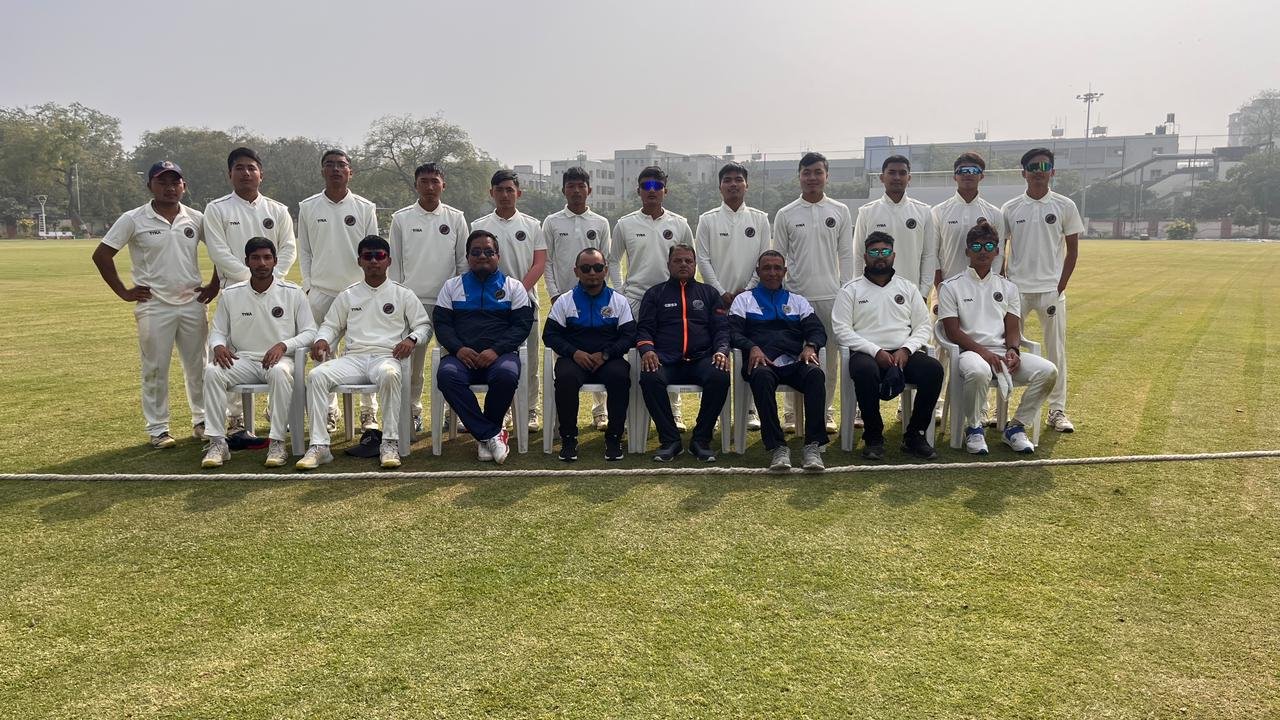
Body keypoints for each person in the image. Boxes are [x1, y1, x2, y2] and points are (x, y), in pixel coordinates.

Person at [92, 160, 219, 447]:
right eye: (162, 182)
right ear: (150, 185)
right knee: (155, 368)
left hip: (192, 302)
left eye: (175, 182)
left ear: (184, 186)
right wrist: (124, 292)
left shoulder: (196, 218)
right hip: (154, 305)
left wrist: (214, 285)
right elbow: (101, 255)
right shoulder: (133, 219)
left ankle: (202, 421)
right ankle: (158, 429)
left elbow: (220, 252)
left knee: (199, 366)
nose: (169, 188)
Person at [298, 235, 431, 470]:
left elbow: (424, 326)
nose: (374, 261)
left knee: (390, 374)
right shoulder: (349, 295)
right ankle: (320, 446)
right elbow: (331, 325)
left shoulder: (402, 294)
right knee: (316, 376)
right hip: (354, 359)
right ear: (359, 261)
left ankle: (389, 443)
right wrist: (322, 340)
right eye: (368, 256)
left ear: (388, 260)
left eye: (379, 256)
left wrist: (412, 339)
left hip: (387, 358)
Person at [202, 146, 298, 433]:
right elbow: (218, 251)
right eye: (239, 168)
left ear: (261, 174)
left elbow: (288, 248)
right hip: (235, 291)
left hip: (274, 290)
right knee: (230, 354)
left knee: (274, 351)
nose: (246, 173)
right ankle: (236, 418)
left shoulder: (277, 210)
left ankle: (275, 410)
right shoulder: (217, 208)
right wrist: (250, 279)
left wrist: (271, 279)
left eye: (251, 168)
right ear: (230, 174)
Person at [938, 223, 1057, 454]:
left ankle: (1016, 427)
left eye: (989, 246)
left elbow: (1012, 328)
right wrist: (984, 353)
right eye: (976, 246)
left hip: (1001, 354)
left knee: (1048, 371)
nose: (983, 251)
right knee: (979, 371)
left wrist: (1013, 350)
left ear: (997, 251)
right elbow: (953, 332)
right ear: (967, 251)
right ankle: (974, 428)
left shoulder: (1008, 287)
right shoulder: (950, 287)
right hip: (969, 354)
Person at [201, 238, 316, 468]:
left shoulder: (292, 292)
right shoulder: (231, 294)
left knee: (280, 373)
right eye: (255, 258)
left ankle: (277, 442)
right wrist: (219, 346)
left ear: (275, 261)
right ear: (247, 261)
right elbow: (218, 331)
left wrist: (283, 345)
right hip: (242, 359)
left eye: (266, 257)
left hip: (279, 360)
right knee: (212, 372)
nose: (261, 263)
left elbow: (310, 332)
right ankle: (218, 443)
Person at [832, 232, 942, 461]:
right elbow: (841, 330)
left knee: (933, 369)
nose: (880, 256)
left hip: (903, 353)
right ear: (865, 256)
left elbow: (923, 327)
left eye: (885, 251)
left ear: (893, 255)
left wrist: (907, 349)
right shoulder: (850, 289)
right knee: (865, 370)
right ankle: (873, 436)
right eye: (874, 252)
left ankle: (914, 435)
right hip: (866, 353)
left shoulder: (908, 288)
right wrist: (875, 351)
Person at [433, 230, 534, 465]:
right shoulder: (451, 286)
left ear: (498, 256)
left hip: (500, 356)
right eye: (476, 252)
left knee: (506, 375)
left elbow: (521, 326)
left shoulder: (514, 287)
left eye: (489, 252)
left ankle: (485, 435)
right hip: (462, 357)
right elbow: (442, 325)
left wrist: (496, 350)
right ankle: (491, 434)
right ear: (467, 257)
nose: (482, 256)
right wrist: (459, 349)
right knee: (446, 376)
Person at [297, 149, 380, 432]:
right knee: (323, 353)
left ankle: (369, 412)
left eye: (341, 165)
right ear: (322, 171)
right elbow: (305, 252)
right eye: (329, 165)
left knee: (366, 350)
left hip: (359, 292)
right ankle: (329, 411)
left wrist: (369, 288)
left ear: (350, 172)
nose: (335, 169)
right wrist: (309, 286)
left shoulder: (365, 207)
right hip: (321, 292)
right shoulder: (308, 207)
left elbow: (373, 250)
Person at [1000, 147, 1082, 433]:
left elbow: (1072, 252)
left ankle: (1057, 410)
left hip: (1050, 291)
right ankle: (1001, 408)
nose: (1039, 171)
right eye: (1033, 167)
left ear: (1052, 171)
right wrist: (1005, 284)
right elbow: (1001, 250)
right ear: (1023, 173)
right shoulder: (1010, 208)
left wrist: (1060, 286)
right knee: (1007, 347)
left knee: (1055, 351)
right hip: (1016, 291)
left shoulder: (1064, 205)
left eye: (1044, 166)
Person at [773, 151, 853, 434]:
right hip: (796, 299)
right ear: (799, 177)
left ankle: (826, 411)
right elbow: (778, 258)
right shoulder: (786, 213)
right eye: (806, 173)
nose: (812, 178)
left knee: (828, 359)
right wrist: (781, 297)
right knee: (792, 356)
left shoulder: (840, 211)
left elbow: (846, 256)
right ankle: (791, 412)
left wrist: (846, 292)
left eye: (818, 172)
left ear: (826, 176)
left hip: (831, 297)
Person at [610, 166, 695, 431]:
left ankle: (675, 412)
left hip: (671, 300)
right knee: (633, 357)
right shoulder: (625, 223)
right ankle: (630, 416)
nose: (651, 191)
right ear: (638, 191)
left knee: (671, 353)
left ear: (665, 191)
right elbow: (613, 260)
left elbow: (690, 259)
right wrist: (620, 292)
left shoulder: (679, 223)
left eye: (656, 186)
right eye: (646, 186)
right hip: (635, 299)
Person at [728, 250, 828, 471]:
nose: (772, 273)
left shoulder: (798, 301)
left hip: (794, 362)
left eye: (777, 268)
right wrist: (751, 347)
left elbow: (817, 330)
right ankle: (778, 447)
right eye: (767, 268)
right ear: (758, 271)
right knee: (762, 378)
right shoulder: (744, 300)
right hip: (762, 363)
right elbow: (732, 332)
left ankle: (812, 446)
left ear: (784, 272)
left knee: (815, 374)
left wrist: (811, 346)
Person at [388, 162, 469, 433]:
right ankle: (412, 412)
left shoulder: (456, 217)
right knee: (412, 364)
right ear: (416, 185)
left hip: (448, 303)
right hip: (413, 302)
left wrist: (459, 300)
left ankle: (452, 414)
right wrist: (400, 300)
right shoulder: (401, 218)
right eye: (424, 181)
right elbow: (395, 264)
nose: (430, 187)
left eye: (435, 181)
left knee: (452, 361)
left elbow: (462, 263)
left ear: (443, 185)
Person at [635, 243, 730, 462]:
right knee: (650, 377)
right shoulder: (655, 293)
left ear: (695, 264)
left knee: (720, 375)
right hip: (666, 360)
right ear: (668, 264)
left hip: (701, 359)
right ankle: (670, 440)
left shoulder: (709, 293)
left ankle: (701, 440)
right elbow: (644, 329)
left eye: (688, 261)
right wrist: (648, 350)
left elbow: (722, 329)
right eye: (678, 261)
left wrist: (721, 351)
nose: (683, 264)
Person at [695, 161, 772, 431]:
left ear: (746, 185)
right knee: (714, 354)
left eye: (738, 179)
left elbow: (763, 259)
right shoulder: (707, 219)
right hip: (715, 301)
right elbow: (703, 259)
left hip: (750, 299)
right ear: (720, 186)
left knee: (748, 351)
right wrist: (720, 291)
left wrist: (747, 290)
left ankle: (750, 409)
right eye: (727, 180)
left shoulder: (760, 219)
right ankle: (715, 413)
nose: (733, 184)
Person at [932, 152, 1005, 427]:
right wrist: (940, 291)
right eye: (963, 170)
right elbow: (934, 256)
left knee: (984, 345)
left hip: (983, 295)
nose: (968, 174)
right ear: (955, 175)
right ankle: (936, 405)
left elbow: (998, 256)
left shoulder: (994, 213)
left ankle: (981, 408)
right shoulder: (939, 212)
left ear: (981, 176)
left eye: (973, 170)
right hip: (946, 292)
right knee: (940, 349)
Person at [542, 248, 635, 462]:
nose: (592, 272)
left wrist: (606, 354)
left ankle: (614, 437)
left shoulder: (618, 300)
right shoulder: (565, 301)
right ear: (576, 271)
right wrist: (574, 353)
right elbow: (550, 335)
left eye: (597, 267)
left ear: (605, 270)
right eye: (585, 268)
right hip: (575, 360)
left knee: (620, 377)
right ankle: (568, 438)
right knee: (565, 378)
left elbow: (629, 335)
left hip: (608, 360)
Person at [473, 169, 546, 432]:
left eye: (509, 190)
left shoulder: (532, 225)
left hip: (525, 302)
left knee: (530, 360)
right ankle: (502, 411)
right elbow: (473, 264)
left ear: (518, 193)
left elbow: (539, 263)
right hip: (491, 308)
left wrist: (517, 291)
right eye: (499, 190)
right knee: (498, 360)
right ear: (491, 193)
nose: (505, 195)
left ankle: (530, 409)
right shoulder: (479, 225)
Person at [543, 166, 613, 431]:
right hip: (563, 302)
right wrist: (554, 294)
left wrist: (605, 295)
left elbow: (605, 261)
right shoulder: (552, 221)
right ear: (563, 190)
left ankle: (600, 411)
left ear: (589, 190)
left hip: (596, 299)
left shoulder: (601, 222)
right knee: (560, 359)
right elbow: (548, 262)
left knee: (598, 351)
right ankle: (561, 416)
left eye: (581, 186)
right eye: (571, 186)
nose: (576, 191)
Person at [854, 154, 936, 300]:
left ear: (909, 178)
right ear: (882, 177)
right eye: (892, 173)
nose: (897, 177)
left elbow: (929, 255)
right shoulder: (867, 212)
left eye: (902, 173)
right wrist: (860, 290)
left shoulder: (923, 211)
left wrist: (923, 293)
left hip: (910, 293)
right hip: (873, 293)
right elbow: (859, 254)